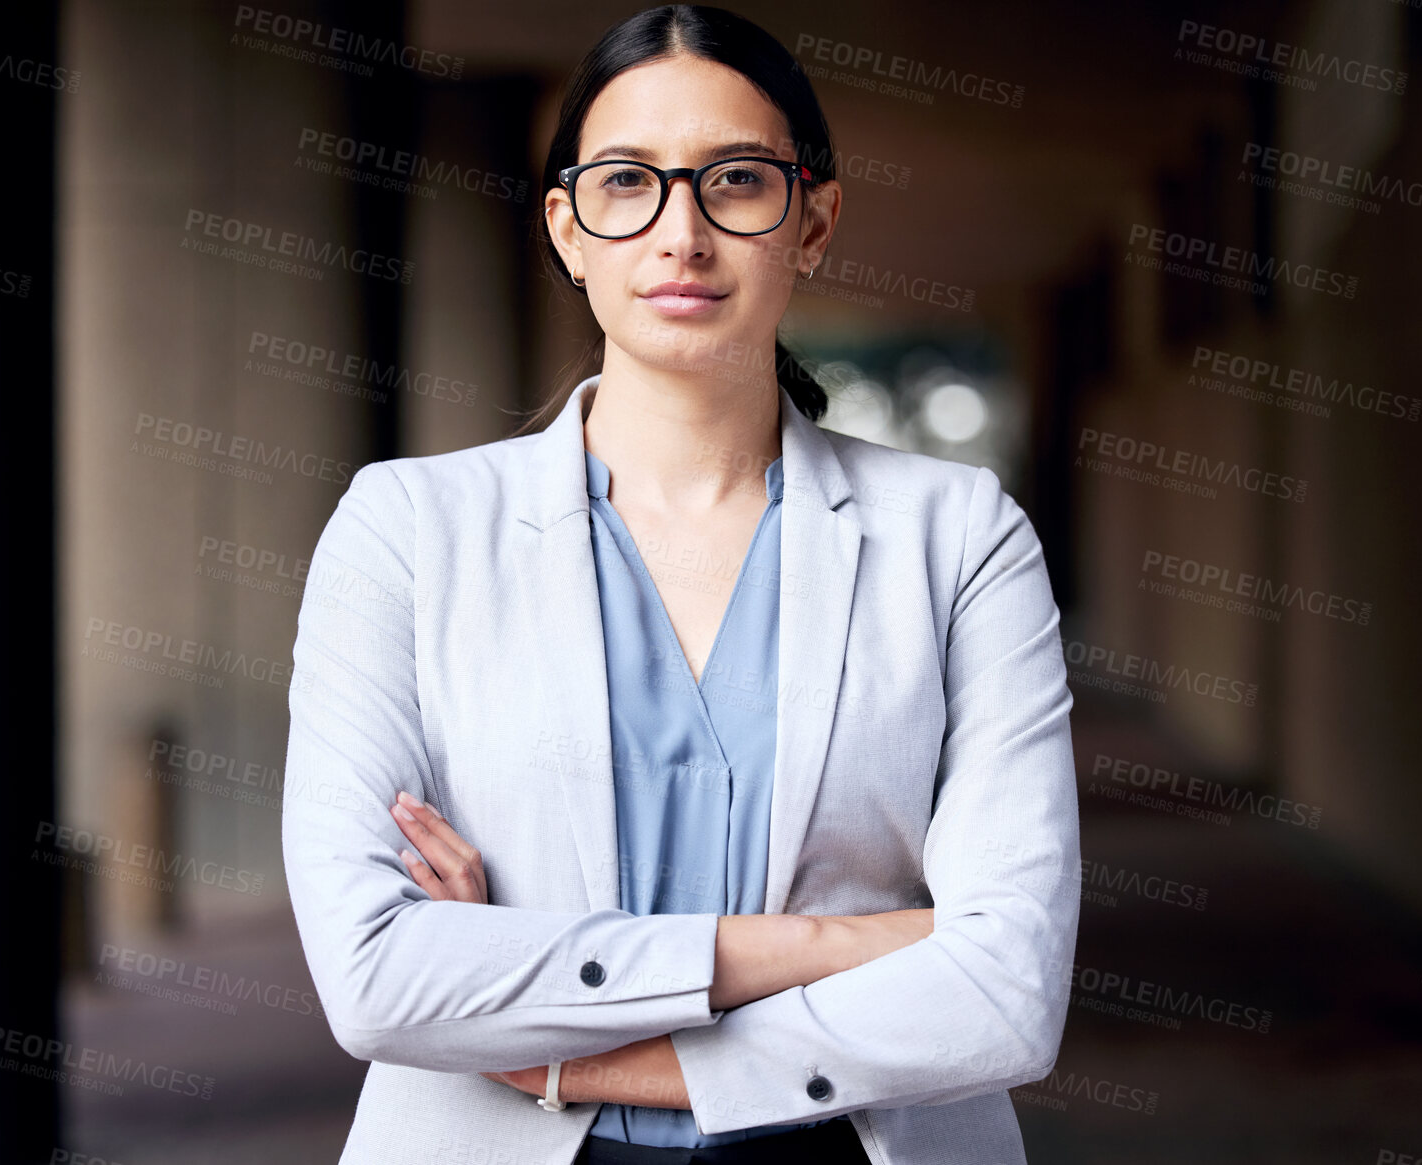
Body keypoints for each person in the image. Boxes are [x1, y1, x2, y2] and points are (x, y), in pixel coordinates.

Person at [280, 6, 1081, 1164]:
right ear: (566, 228)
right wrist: (824, 943)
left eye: (736, 182)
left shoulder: (957, 540)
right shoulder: (405, 531)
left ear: (813, 221)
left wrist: (566, 1048)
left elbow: (1006, 990)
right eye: (625, 183)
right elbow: (373, 981)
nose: (680, 234)